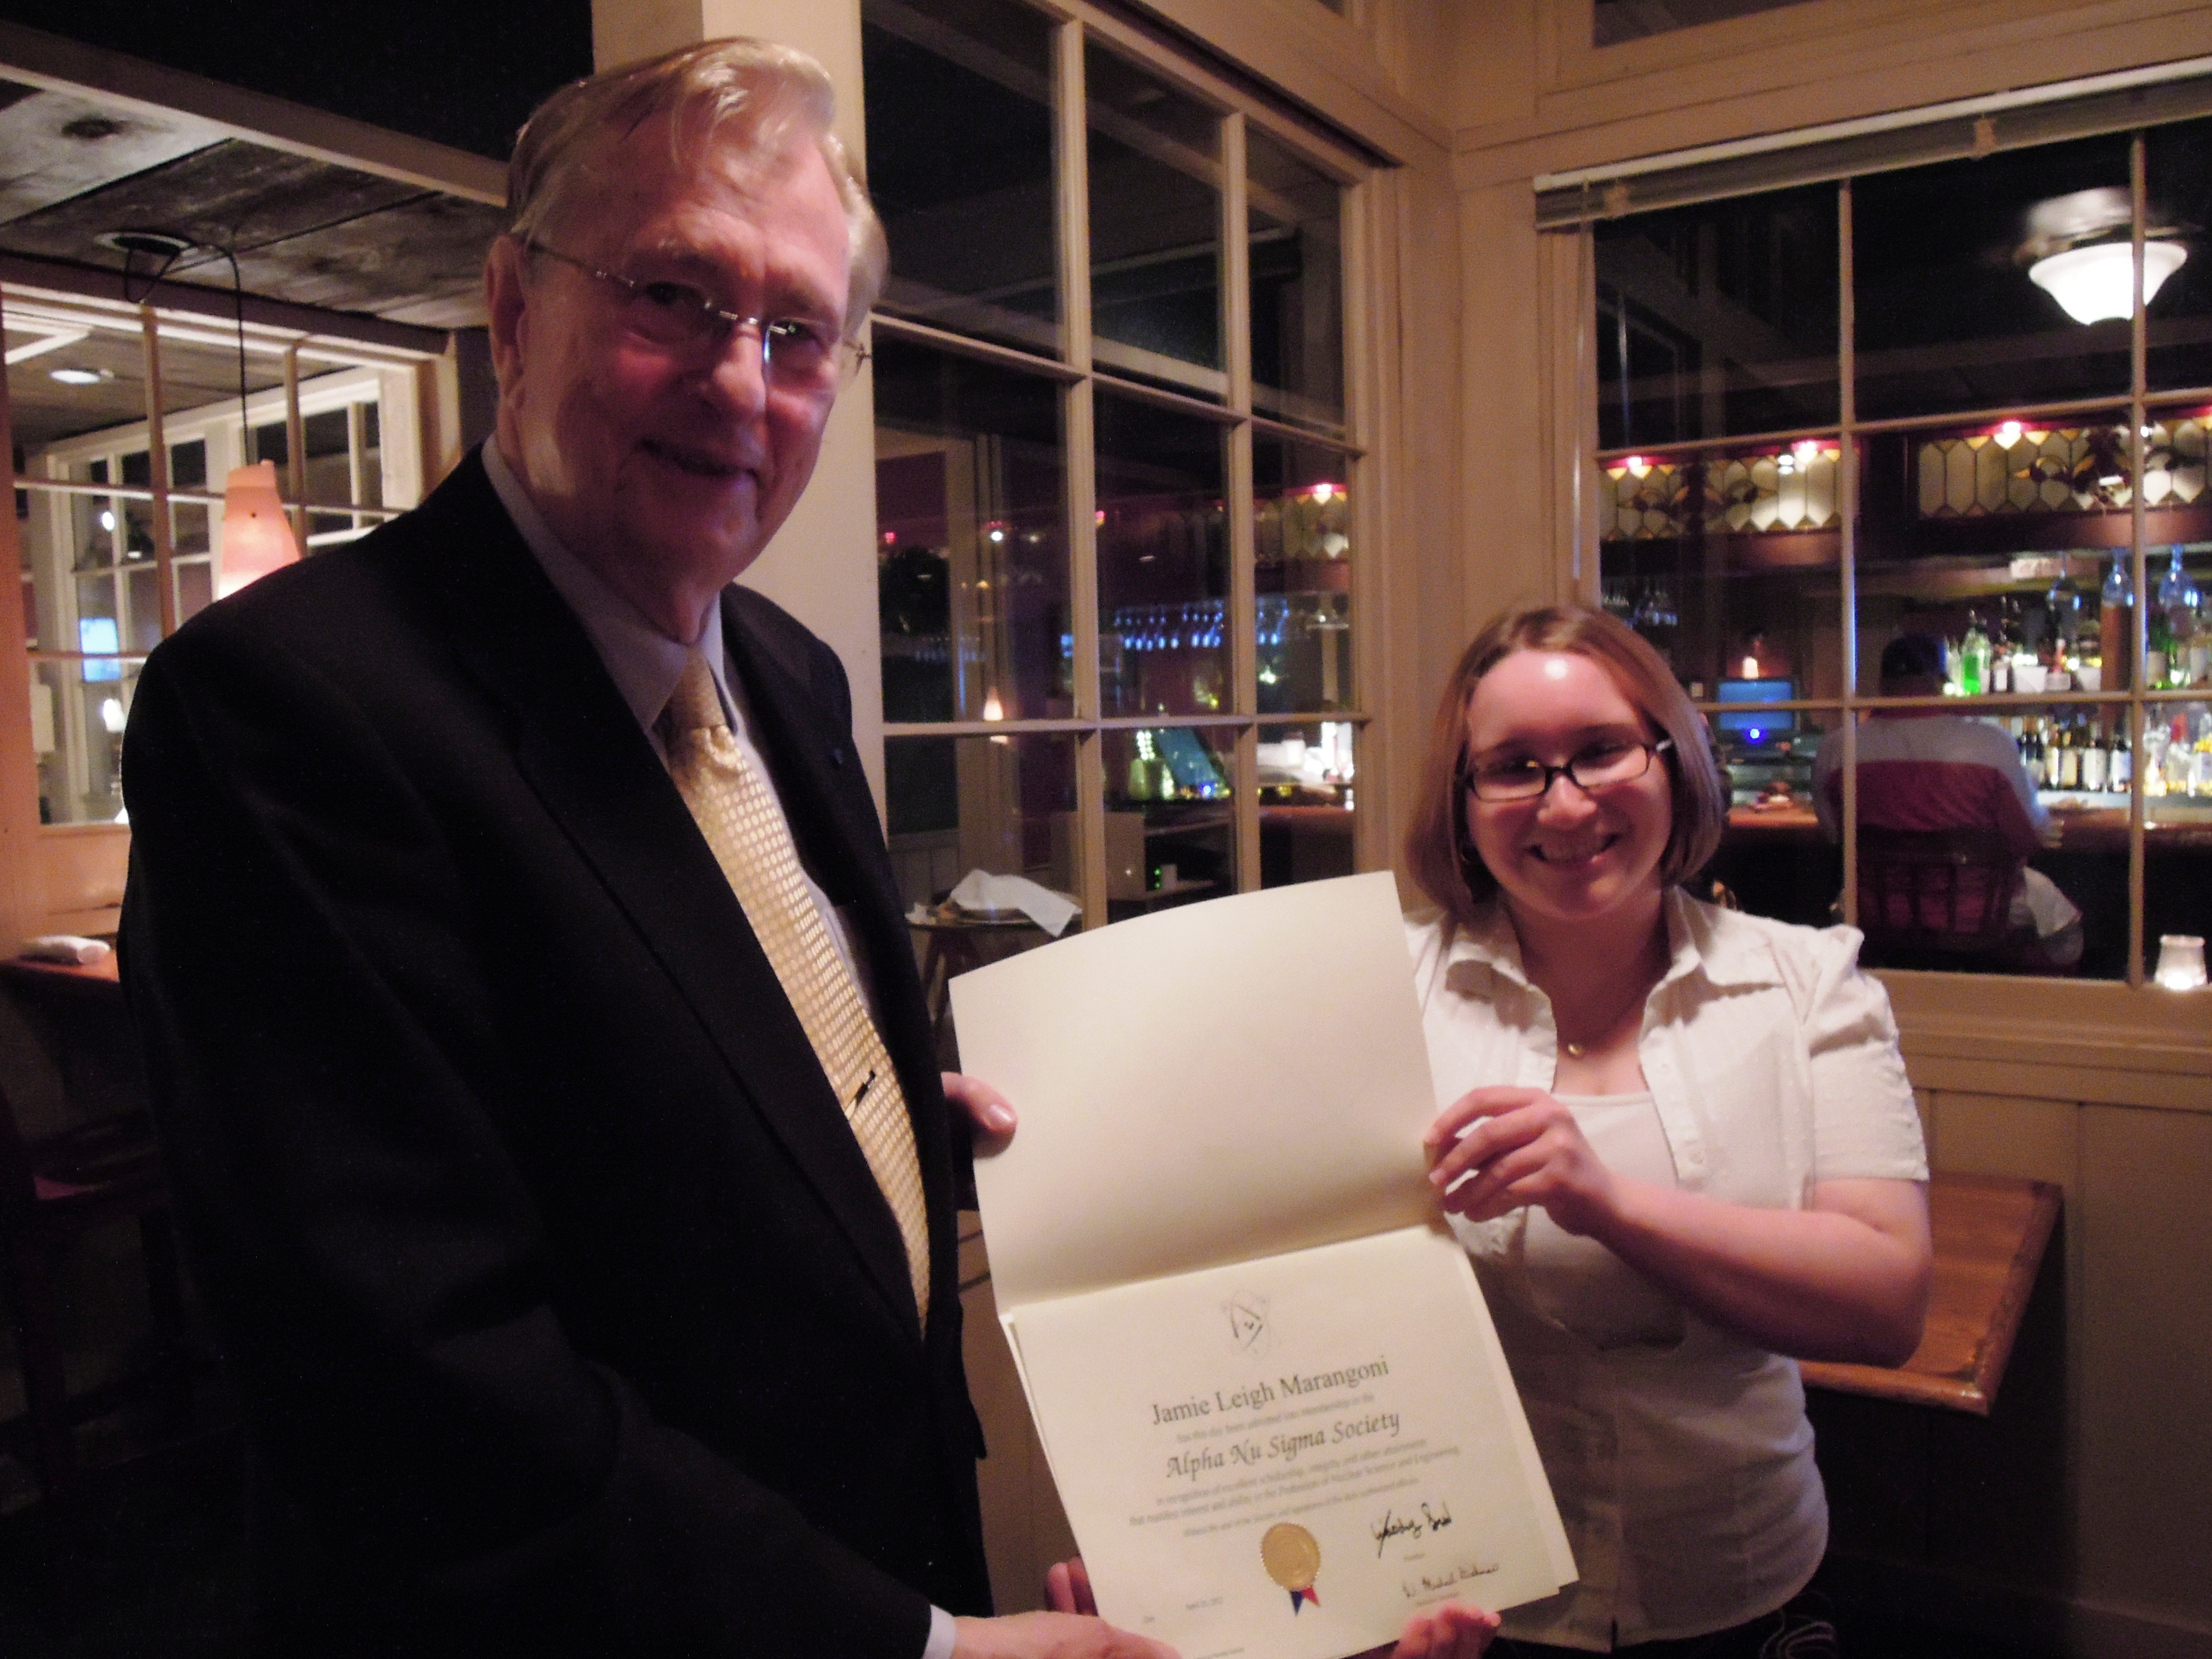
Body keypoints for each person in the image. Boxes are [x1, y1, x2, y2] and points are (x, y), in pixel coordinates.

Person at [118, 39, 1176, 1659]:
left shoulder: (790, 674)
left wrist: (891, 1129)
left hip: (872, 1554)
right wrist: (927, 1653)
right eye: (676, 296)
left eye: (798, 333)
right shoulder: (286, 705)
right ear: (512, 306)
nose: (742, 382)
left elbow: (679, 1089)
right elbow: (412, 1384)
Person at [1401, 604, 1934, 1656]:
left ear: (1673, 762)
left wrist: (1607, 1202)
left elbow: (1888, 1303)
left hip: (1734, 1573)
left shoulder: (1807, 982)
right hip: (1468, 1597)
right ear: (1463, 803)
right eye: (1512, 767)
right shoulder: (1380, 987)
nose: (1565, 802)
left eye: (1602, 750)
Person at [1811, 632, 2084, 970]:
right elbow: (2031, 837)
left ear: (1881, 684)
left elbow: (1835, 836)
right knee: (2065, 935)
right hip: (1976, 914)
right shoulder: (1990, 744)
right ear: (1940, 680)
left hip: (1875, 913)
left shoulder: (1837, 750)